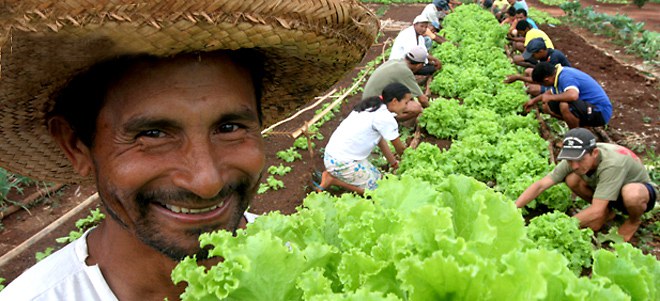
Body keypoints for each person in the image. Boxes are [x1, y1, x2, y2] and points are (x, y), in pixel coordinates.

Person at [0, 0, 378, 300]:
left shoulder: (316, 264)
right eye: (152, 134)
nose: (206, 181)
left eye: (229, 128)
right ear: (75, 146)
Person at [516, 128, 657, 242]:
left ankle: (633, 221)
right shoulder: (574, 158)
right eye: (570, 160)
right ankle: (607, 211)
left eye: (580, 159)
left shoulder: (612, 164)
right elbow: (541, 185)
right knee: (572, 179)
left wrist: (559, 226)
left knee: (631, 194)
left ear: (594, 153)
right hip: (610, 192)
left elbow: (595, 210)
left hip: (639, 193)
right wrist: (513, 207)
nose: (575, 165)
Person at [318, 83, 412, 195]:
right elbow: (400, 149)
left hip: (336, 155)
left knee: (381, 179)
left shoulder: (374, 105)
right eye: (405, 103)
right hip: (342, 161)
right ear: (395, 101)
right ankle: (332, 180)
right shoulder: (384, 117)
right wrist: (410, 160)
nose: (407, 107)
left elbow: (379, 140)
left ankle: (335, 175)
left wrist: (393, 163)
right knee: (377, 192)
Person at [523, 62, 612, 129]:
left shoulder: (566, 76)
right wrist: (533, 101)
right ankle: (582, 128)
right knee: (548, 105)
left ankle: (576, 137)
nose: (544, 86)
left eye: (542, 84)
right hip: (588, 108)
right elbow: (549, 93)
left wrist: (550, 97)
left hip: (601, 111)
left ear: (546, 80)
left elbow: (573, 96)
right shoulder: (558, 76)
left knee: (564, 105)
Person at [363, 45, 432, 121]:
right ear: (419, 65)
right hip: (373, 106)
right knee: (416, 108)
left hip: (368, 100)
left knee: (407, 99)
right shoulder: (405, 71)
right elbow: (422, 100)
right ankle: (388, 121)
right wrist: (430, 111)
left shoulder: (396, 62)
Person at [504, 38, 571, 95]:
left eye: (533, 55)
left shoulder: (553, 58)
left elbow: (546, 80)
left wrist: (518, 77)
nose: (532, 57)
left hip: (560, 85)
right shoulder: (544, 56)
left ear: (541, 51)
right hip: (550, 79)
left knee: (531, 89)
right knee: (528, 71)